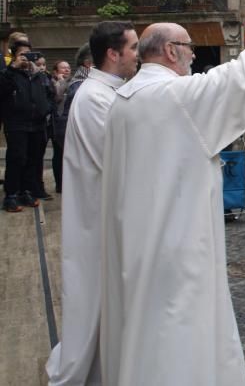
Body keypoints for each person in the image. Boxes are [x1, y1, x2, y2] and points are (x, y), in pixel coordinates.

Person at [99, 0, 245, 386]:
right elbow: (239, 75)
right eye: (190, 47)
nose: (194, 54)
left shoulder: (123, 99)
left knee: (145, 326)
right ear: (172, 51)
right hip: (174, 241)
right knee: (176, 329)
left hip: (136, 240)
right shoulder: (172, 95)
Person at [45, 21, 138, 386]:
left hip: (102, 215)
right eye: (131, 48)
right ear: (113, 54)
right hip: (96, 218)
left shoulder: (109, 92)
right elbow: (118, 161)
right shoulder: (96, 98)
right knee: (92, 300)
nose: (136, 56)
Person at [1, 40, 54, 211]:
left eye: (28, 54)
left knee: (32, 159)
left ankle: (26, 192)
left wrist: (45, 109)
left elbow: (49, 93)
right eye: (22, 54)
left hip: (36, 123)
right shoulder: (9, 73)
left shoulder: (38, 74)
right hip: (17, 123)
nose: (26, 58)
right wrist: (12, 68)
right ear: (15, 56)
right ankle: (11, 195)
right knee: (17, 158)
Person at [49, 60, 72, 193]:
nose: (66, 70)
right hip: (57, 123)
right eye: (63, 68)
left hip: (68, 121)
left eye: (68, 68)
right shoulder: (53, 82)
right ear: (56, 71)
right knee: (58, 153)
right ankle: (60, 184)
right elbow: (56, 98)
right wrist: (61, 82)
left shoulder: (72, 82)